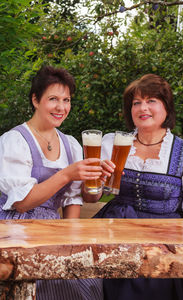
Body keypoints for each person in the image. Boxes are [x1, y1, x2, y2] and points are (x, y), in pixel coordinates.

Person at [0, 65, 113, 300]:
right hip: (13, 230)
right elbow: (21, 203)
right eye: (53, 99)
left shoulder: (71, 144)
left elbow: (78, 198)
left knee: (85, 280)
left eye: (67, 100)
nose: (61, 107)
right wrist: (67, 174)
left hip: (55, 231)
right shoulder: (14, 141)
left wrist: (68, 241)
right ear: (35, 100)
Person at [83, 74, 183, 300]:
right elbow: (92, 198)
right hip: (113, 233)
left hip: (164, 240)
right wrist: (96, 182)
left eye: (151, 101)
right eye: (136, 103)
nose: (142, 107)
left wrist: (173, 249)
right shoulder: (112, 143)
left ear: (166, 107)